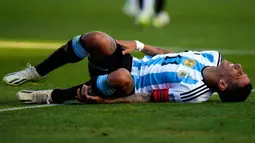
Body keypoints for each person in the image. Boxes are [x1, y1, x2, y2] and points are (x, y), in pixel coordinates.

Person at [2, 31, 252, 104]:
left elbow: (146, 97)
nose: (239, 66)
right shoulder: (213, 56)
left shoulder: (193, 92)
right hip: (130, 62)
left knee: (121, 77)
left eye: (238, 74)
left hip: (125, 83)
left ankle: (52, 96)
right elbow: (170, 54)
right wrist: (140, 44)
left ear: (222, 84)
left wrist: (104, 102)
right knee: (96, 38)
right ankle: (37, 72)